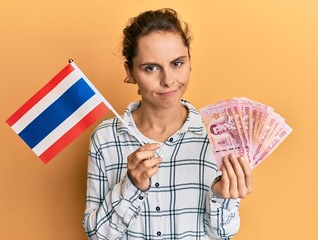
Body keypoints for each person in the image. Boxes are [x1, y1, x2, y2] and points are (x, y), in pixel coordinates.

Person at [83, 8, 253, 239]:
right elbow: (97, 235)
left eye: (177, 63)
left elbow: (222, 234)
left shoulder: (219, 136)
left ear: (190, 61)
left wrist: (222, 196)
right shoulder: (105, 138)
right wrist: (131, 185)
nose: (168, 80)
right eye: (151, 68)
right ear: (130, 72)